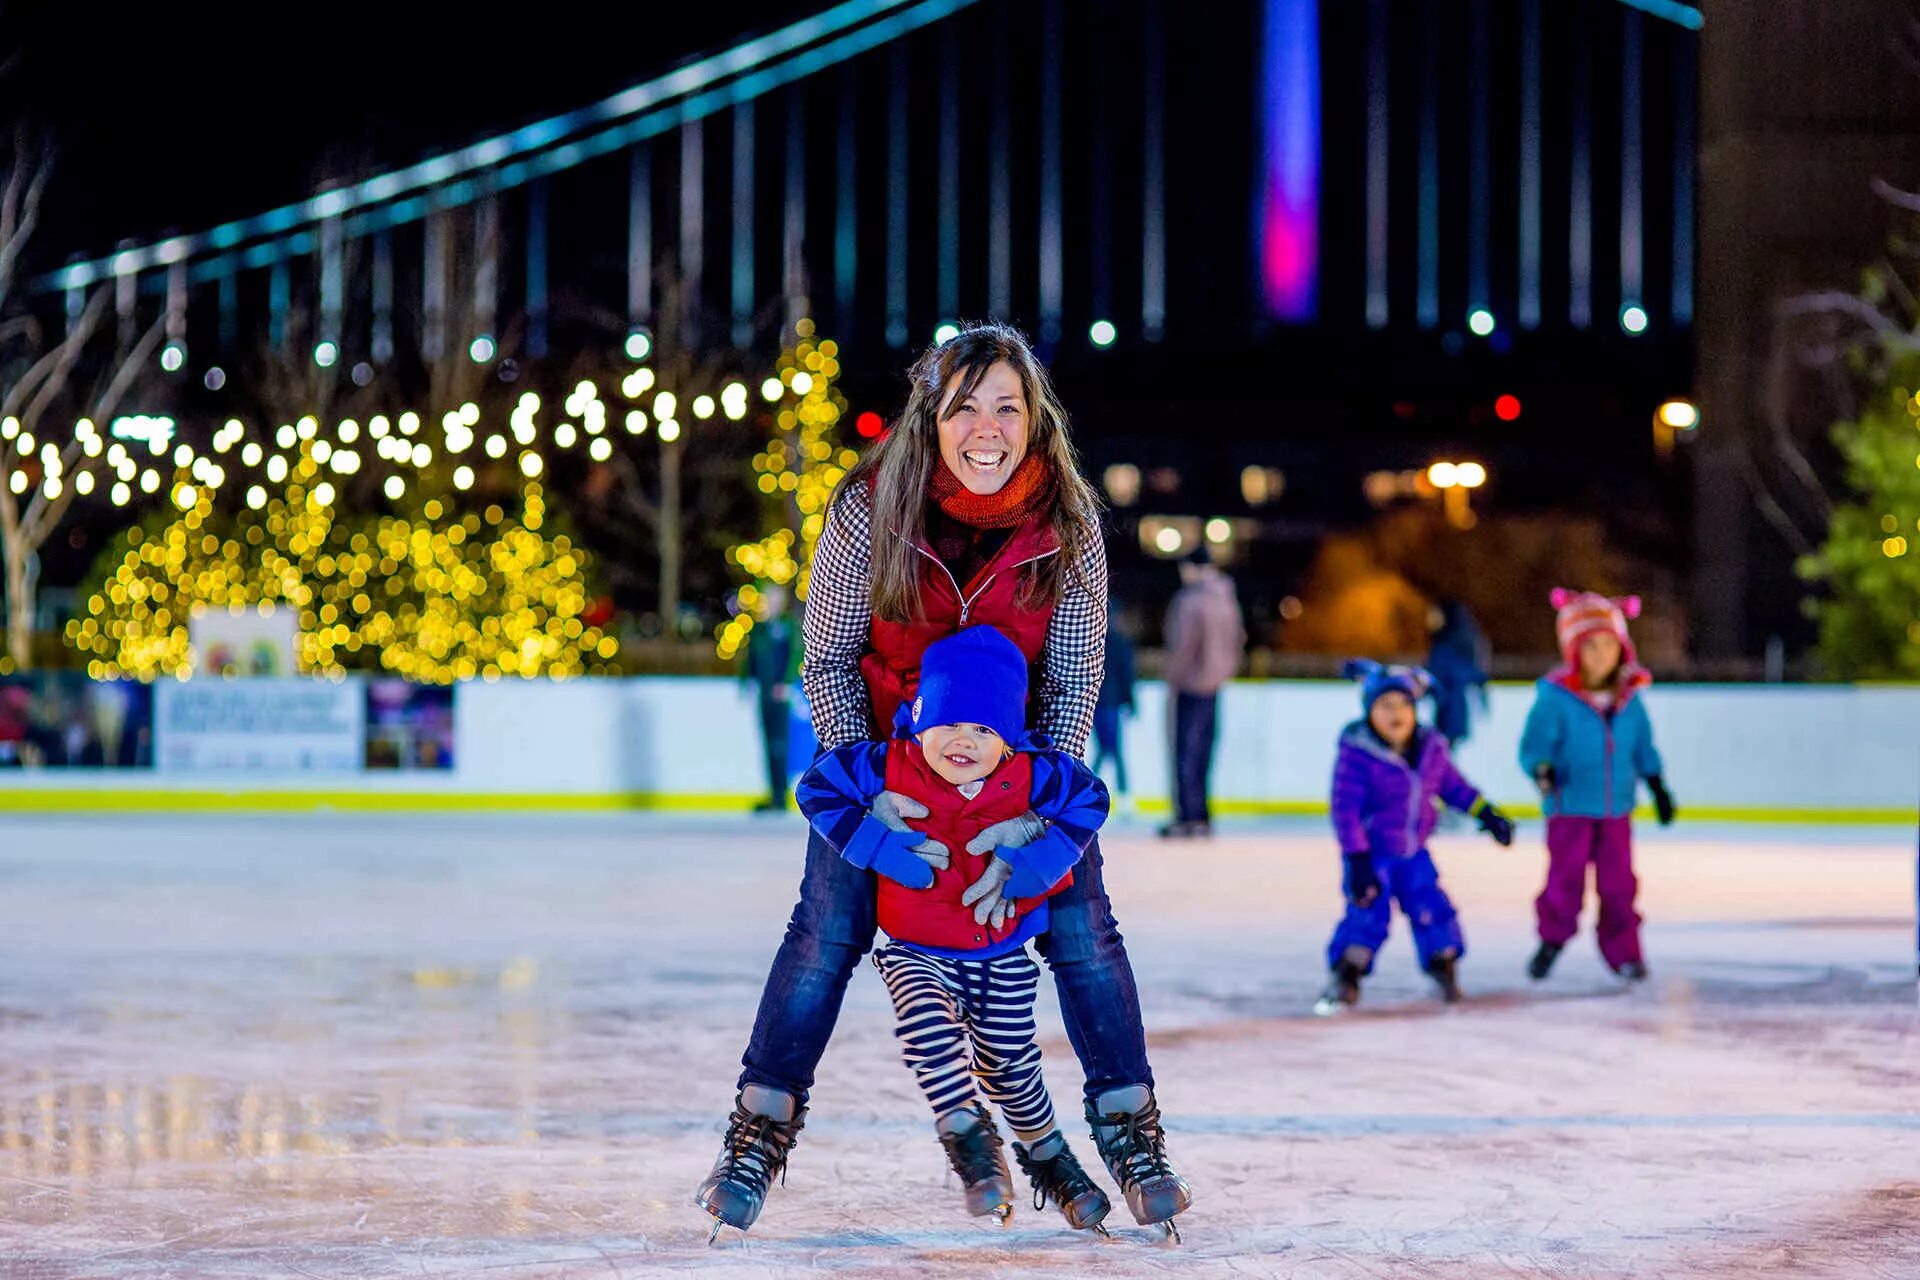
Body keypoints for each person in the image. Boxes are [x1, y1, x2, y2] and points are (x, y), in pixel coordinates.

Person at [695, 323, 1191, 1240]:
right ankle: (759, 1130)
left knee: (1084, 927)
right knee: (825, 929)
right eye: (965, 406)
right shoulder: (868, 507)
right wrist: (864, 779)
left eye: (1007, 406)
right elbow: (832, 653)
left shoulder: (1070, 526)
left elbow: (1075, 675)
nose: (987, 427)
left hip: (1014, 772)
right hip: (887, 766)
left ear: (1035, 420)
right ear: (933, 417)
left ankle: (1130, 1128)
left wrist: (1039, 799)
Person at [795, 626, 1114, 1232]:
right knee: (928, 1030)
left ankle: (1051, 1159)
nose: (963, 740)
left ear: (1008, 739)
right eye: (948, 722)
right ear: (919, 717)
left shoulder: (1030, 774)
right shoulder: (889, 764)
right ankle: (969, 1139)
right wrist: (875, 845)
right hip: (915, 948)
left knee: (1013, 1066)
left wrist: (1038, 859)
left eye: (984, 729)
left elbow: (1090, 799)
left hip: (1003, 954)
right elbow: (817, 787)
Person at [1316, 661, 1515, 1014]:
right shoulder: (1357, 755)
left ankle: (1443, 963)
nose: (1396, 714)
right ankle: (1347, 972)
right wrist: (1357, 858)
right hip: (1372, 856)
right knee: (1366, 916)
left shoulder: (1431, 749)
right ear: (1369, 713)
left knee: (1432, 907)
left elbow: (1454, 787)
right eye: (1385, 706)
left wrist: (1487, 813)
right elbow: (1344, 810)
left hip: (1414, 854)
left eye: (1403, 705)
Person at [1518, 590, 1677, 983]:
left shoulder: (1630, 700)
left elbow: (1642, 745)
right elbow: (1535, 745)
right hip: (1569, 808)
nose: (1602, 654)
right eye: (1591, 646)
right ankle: (1552, 939)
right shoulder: (1555, 699)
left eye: (1610, 644)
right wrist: (1543, 770)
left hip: (1616, 811)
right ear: (1574, 650)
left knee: (1619, 887)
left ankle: (1625, 954)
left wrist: (1656, 783)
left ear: (1623, 648)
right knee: (1564, 883)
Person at [1159, 546, 1245, 838]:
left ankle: (1187, 815)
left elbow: (1183, 646)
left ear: (1192, 567)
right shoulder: (1227, 598)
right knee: (1205, 751)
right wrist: (1224, 672)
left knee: (1185, 752)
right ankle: (1202, 815)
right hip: (1214, 685)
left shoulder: (1190, 600)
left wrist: (1173, 677)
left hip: (1190, 685)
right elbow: (1237, 640)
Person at [742, 585, 799, 812]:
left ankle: (780, 795)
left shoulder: (788, 627)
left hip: (780, 695)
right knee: (768, 743)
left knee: (780, 743)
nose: (770, 603)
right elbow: (751, 657)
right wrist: (747, 681)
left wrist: (786, 683)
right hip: (764, 693)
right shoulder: (759, 629)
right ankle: (773, 793)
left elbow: (796, 654)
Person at [1425, 599, 1491, 746]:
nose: (1430, 619)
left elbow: (1444, 676)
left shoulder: (1449, 646)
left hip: (1451, 712)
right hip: (1451, 712)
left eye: (1435, 614)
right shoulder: (1461, 640)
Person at [1089, 600, 1136, 805]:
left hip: (1102, 701)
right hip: (1109, 701)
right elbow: (1126, 673)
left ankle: (1090, 789)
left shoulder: (1098, 641)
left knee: (1109, 748)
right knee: (1111, 748)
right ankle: (1097, 790)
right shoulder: (1117, 641)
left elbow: (1125, 673)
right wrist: (1129, 700)